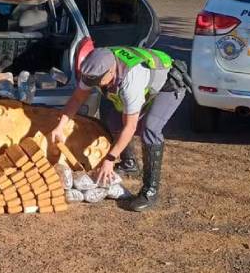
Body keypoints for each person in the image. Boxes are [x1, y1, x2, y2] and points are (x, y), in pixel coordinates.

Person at [50, 46, 191, 211]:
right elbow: (77, 99)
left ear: (111, 72)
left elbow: (131, 127)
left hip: (168, 84)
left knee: (150, 129)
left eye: (97, 82)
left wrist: (110, 159)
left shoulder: (131, 79)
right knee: (114, 122)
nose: (93, 85)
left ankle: (150, 191)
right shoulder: (94, 68)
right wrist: (60, 126)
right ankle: (129, 163)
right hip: (140, 85)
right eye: (90, 81)